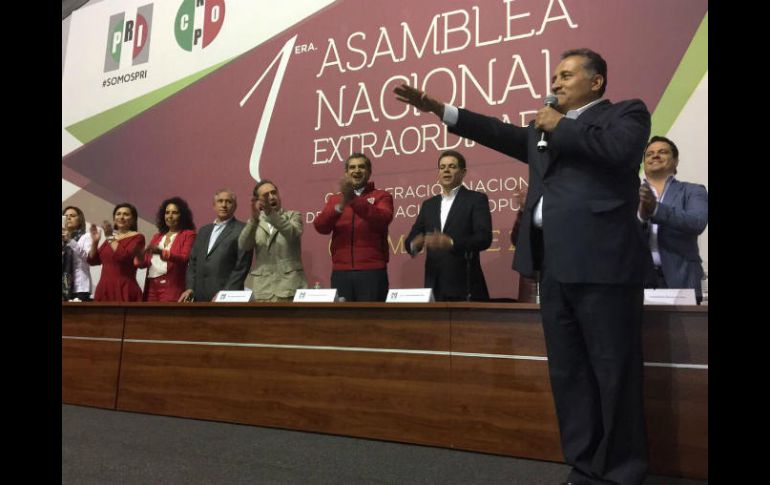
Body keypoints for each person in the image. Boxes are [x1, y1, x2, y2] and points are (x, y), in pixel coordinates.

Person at [395, 48, 652, 485]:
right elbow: (496, 131)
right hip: (552, 266)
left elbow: (621, 152)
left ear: (596, 82)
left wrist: (563, 125)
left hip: (604, 264)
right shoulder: (541, 131)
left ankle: (623, 471)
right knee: (568, 372)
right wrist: (441, 110)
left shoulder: (624, 114)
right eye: (554, 75)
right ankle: (585, 465)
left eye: (566, 75)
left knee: (614, 371)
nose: (555, 83)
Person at [405, 150, 492, 301]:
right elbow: (413, 237)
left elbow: (484, 238)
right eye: (442, 167)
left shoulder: (476, 199)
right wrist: (414, 243)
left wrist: (451, 243)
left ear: (463, 172)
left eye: (452, 166)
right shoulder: (429, 205)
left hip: (465, 285)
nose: (446, 170)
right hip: (434, 285)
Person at [313, 153, 394, 301]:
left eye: (361, 167)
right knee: (343, 322)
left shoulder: (382, 196)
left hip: (372, 271)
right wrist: (339, 207)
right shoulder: (335, 199)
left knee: (372, 321)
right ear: (346, 173)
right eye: (352, 167)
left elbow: (383, 219)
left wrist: (353, 199)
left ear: (369, 172)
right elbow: (320, 226)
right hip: (341, 272)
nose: (356, 170)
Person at [639, 135, 708, 303]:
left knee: (688, 330)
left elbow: (697, 222)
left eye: (662, 152)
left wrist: (655, 209)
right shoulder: (629, 194)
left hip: (683, 278)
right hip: (638, 280)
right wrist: (641, 216)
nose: (655, 156)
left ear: (675, 161)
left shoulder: (693, 191)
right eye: (649, 154)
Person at [179, 189, 253, 302]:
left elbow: (242, 267)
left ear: (235, 206)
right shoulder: (203, 231)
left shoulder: (243, 230)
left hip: (225, 299)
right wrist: (190, 288)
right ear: (214, 205)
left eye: (228, 201)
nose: (224, 205)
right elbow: (192, 263)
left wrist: (226, 293)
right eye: (220, 201)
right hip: (198, 298)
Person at [238, 180, 307, 301]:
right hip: (262, 289)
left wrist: (271, 214)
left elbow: (293, 234)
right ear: (258, 201)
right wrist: (253, 220)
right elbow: (244, 245)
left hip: (289, 288)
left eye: (273, 193)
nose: (271, 197)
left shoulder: (293, 215)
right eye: (265, 195)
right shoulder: (255, 221)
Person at [136, 197, 197, 302]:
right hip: (151, 286)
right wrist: (139, 256)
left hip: (171, 286)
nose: (170, 216)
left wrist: (161, 252)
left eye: (174, 212)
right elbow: (145, 263)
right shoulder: (157, 236)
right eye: (167, 212)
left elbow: (184, 258)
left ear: (182, 216)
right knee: (148, 318)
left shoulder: (188, 235)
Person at [87, 203, 146, 302]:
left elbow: (123, 257)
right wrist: (95, 242)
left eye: (126, 214)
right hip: (104, 288)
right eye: (118, 214)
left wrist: (110, 237)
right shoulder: (111, 238)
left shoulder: (138, 237)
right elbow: (93, 261)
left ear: (133, 219)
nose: (121, 217)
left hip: (124, 287)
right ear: (114, 218)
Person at [62, 206, 94, 301]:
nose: (68, 218)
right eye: (65, 216)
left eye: (72, 215)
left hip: (80, 287)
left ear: (79, 220)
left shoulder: (86, 236)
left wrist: (70, 240)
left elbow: (88, 258)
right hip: (64, 288)